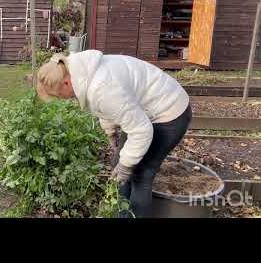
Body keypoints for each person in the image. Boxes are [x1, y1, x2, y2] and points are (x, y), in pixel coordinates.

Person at [36, 49, 192, 218]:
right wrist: (111, 131)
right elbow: (110, 106)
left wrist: (127, 165)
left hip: (169, 111)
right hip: (143, 113)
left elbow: (140, 129)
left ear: (66, 83)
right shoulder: (82, 72)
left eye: (58, 94)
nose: (61, 98)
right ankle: (121, 213)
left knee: (141, 173)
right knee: (120, 163)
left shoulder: (101, 88)